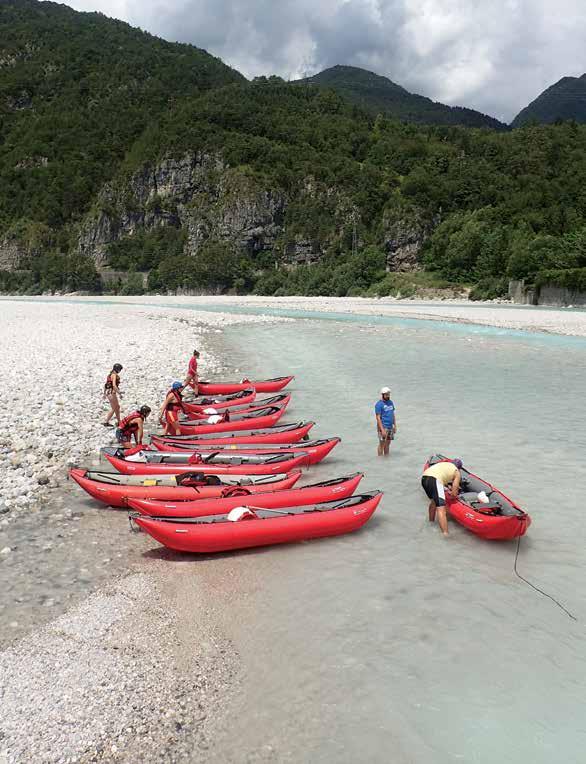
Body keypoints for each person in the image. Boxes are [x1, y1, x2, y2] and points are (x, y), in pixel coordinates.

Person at [421, 458, 463, 537]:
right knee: (441, 509)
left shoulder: (443, 464)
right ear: (459, 468)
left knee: (434, 501)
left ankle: (431, 522)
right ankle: (445, 534)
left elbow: (442, 475)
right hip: (435, 479)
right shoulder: (456, 471)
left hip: (424, 478)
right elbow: (454, 490)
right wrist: (453, 495)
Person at [375, 386, 397, 456]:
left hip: (390, 426)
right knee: (382, 444)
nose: (388, 396)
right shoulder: (379, 404)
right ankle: (379, 460)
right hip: (383, 427)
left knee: (388, 444)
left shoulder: (390, 402)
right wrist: (382, 429)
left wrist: (395, 425)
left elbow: (392, 414)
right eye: (386, 394)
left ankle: (386, 460)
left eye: (389, 394)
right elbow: (378, 418)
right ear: (382, 395)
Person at [103, 363, 123, 428]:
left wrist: (104, 393)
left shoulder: (110, 375)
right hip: (112, 393)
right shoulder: (114, 375)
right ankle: (106, 421)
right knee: (114, 408)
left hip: (109, 393)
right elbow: (114, 385)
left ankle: (119, 422)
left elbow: (106, 385)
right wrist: (119, 393)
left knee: (117, 407)